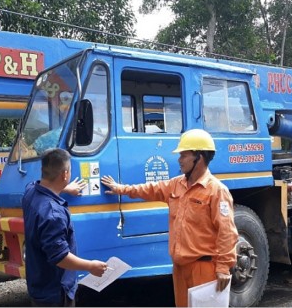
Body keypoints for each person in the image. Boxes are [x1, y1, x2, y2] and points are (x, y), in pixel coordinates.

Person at [101, 129, 238, 307]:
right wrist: (121, 189)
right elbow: (149, 189)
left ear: (200, 157)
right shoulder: (176, 184)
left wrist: (223, 267)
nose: (179, 159)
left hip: (203, 268)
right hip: (180, 267)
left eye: (183, 155)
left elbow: (226, 232)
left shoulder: (216, 191)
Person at [22, 148, 107, 307]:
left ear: (43, 170)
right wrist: (90, 266)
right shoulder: (53, 214)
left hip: (38, 285)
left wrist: (64, 188)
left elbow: (34, 184)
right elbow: (60, 257)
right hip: (55, 293)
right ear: (65, 174)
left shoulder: (30, 193)